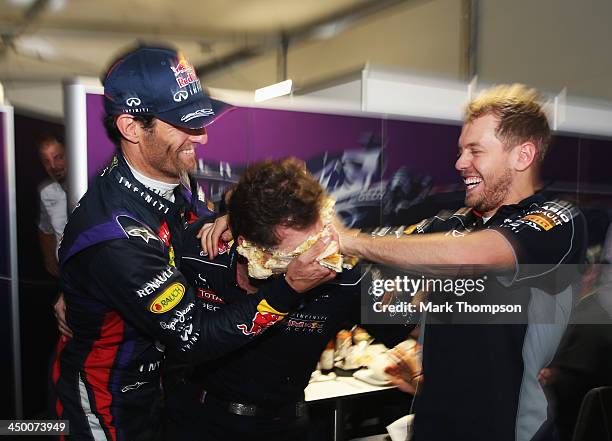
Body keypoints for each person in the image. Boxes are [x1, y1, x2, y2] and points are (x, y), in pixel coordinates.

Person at [52, 45, 335, 441]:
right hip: (107, 407)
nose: (201, 136)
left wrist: (229, 218)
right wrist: (289, 290)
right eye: (185, 124)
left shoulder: (171, 175)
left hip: (166, 390)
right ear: (131, 127)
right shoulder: (116, 236)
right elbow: (196, 337)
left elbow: (180, 237)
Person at [334, 84, 588, 441]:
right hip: (434, 426)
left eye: (475, 150)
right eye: (460, 151)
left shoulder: (558, 218)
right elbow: (394, 257)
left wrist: (350, 240)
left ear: (522, 155)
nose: (459, 163)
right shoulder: (453, 224)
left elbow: (476, 254)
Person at [165, 158, 411, 441]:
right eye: (300, 251)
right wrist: (288, 287)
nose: (316, 256)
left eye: (318, 239)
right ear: (251, 248)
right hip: (194, 420)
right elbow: (188, 342)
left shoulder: (341, 271)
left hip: (282, 425)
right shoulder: (199, 248)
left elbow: (411, 324)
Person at [37, 135, 67, 277]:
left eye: (58, 157)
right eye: (47, 161)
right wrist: (49, 258)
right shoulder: (46, 192)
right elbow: (45, 229)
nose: (53, 166)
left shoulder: (92, 180)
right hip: (67, 272)